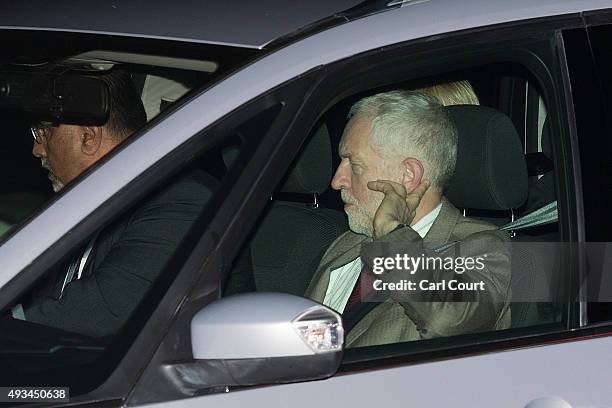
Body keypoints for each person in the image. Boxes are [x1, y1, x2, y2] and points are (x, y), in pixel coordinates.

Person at [304, 89, 511, 348]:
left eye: (354, 166)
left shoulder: (484, 249)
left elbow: (449, 321)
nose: (336, 181)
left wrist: (392, 234)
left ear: (407, 175)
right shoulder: (345, 247)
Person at [19, 70, 216, 337]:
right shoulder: (83, 203)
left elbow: (99, 314)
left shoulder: (183, 201)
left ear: (88, 137)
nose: (37, 150)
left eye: (42, 134)